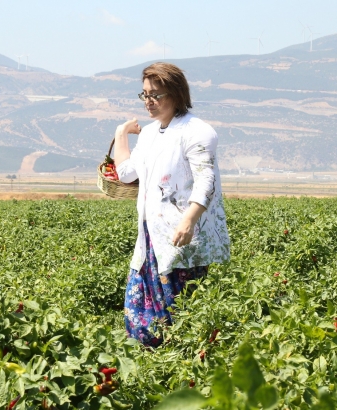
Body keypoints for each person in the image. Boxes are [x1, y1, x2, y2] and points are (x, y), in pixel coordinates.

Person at [114, 62, 230, 347]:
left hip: (181, 239)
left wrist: (189, 220)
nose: (149, 102)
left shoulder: (197, 131)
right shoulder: (151, 134)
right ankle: (151, 370)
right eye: (144, 95)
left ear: (176, 94)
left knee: (179, 316)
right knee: (138, 314)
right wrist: (121, 134)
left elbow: (207, 181)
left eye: (156, 95)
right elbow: (127, 173)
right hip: (151, 237)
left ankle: (182, 374)